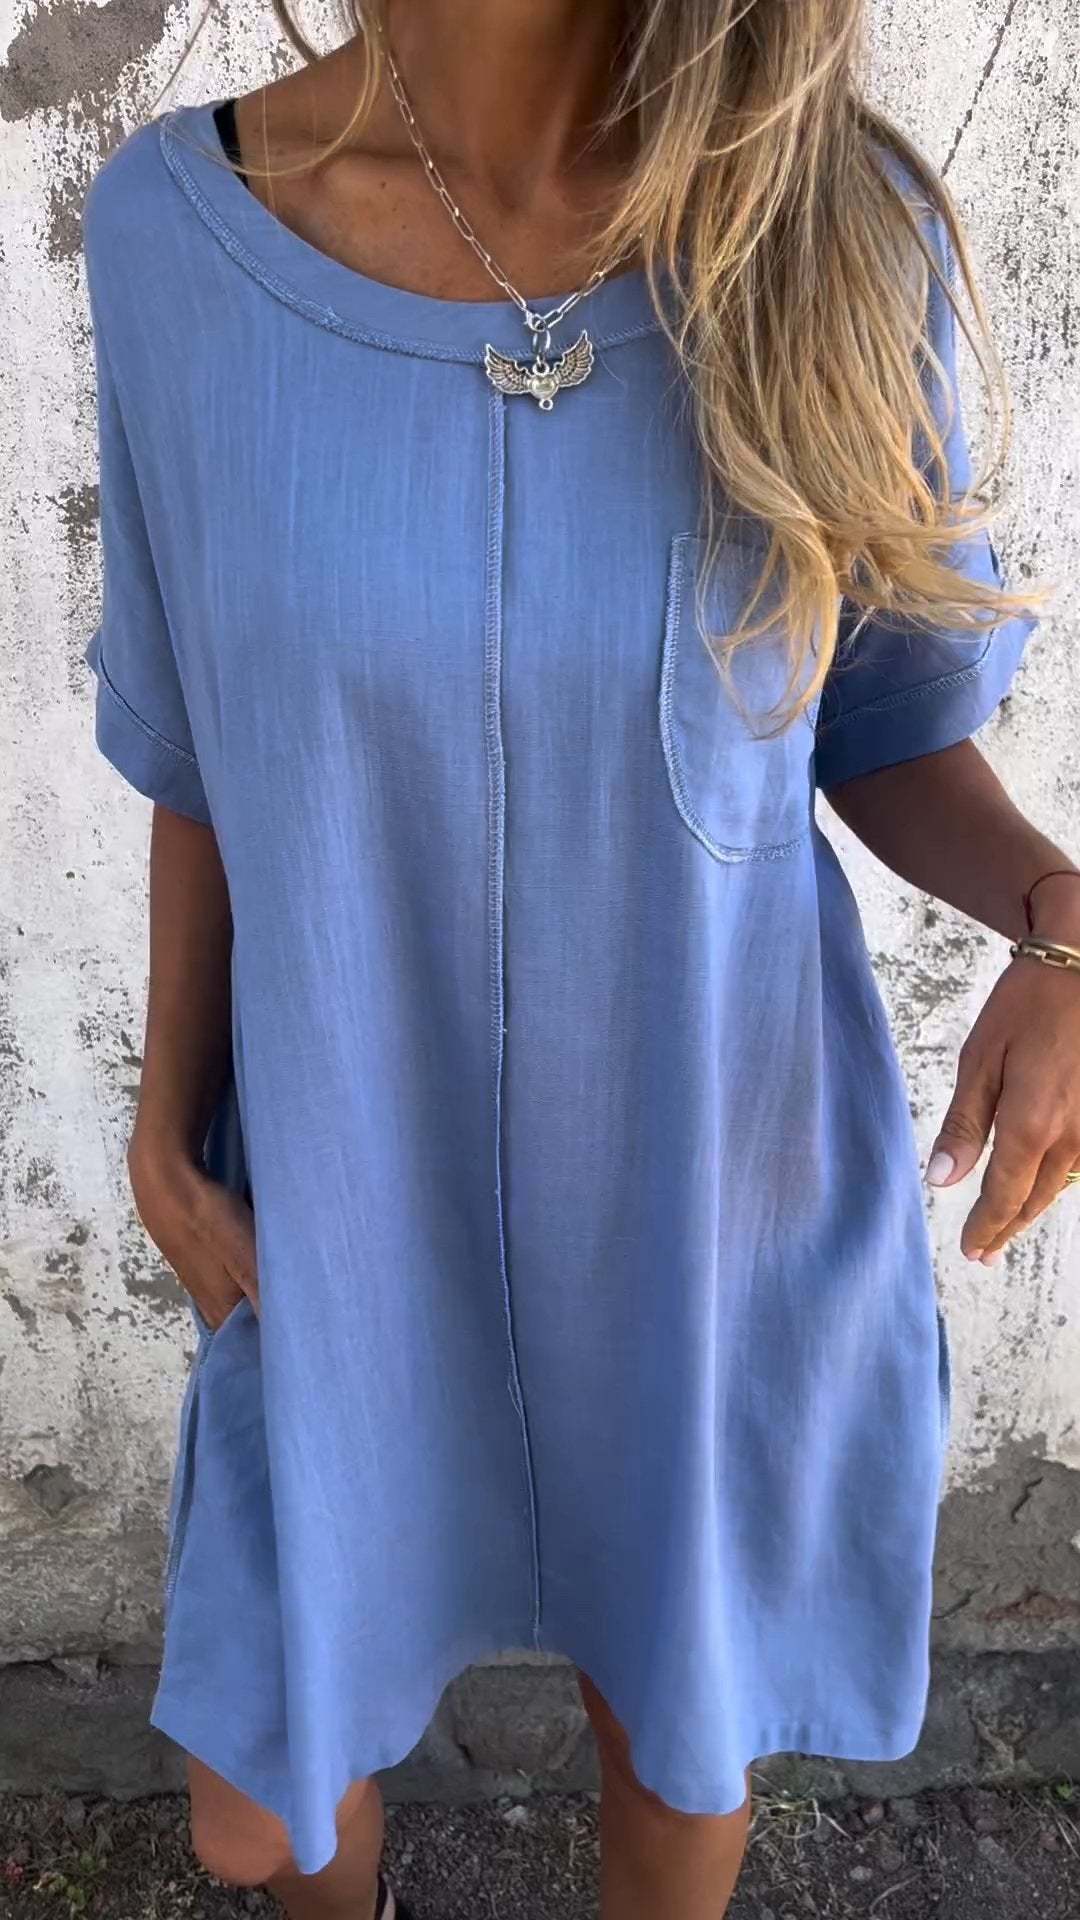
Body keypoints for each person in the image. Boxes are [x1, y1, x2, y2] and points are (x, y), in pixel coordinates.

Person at [79, 3, 1078, 1916]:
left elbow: (881, 726)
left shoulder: (828, 231)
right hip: (348, 1178)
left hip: (709, 1175)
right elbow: (197, 739)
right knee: (264, 1798)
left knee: (676, 1715)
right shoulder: (177, 237)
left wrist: (1066, 921)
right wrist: (162, 1123)